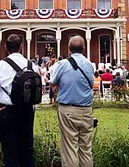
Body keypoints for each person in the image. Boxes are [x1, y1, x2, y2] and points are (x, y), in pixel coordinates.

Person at [0, 34, 39, 167]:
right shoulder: (31, 65)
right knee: (27, 151)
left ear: (5, 47)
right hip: (26, 110)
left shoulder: (0, 65)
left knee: (10, 152)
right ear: (21, 47)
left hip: (7, 111)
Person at [50, 35, 94, 167]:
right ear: (84, 48)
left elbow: (52, 82)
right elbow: (90, 84)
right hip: (86, 110)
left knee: (70, 149)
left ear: (69, 48)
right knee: (86, 149)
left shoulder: (63, 64)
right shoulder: (89, 64)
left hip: (68, 109)